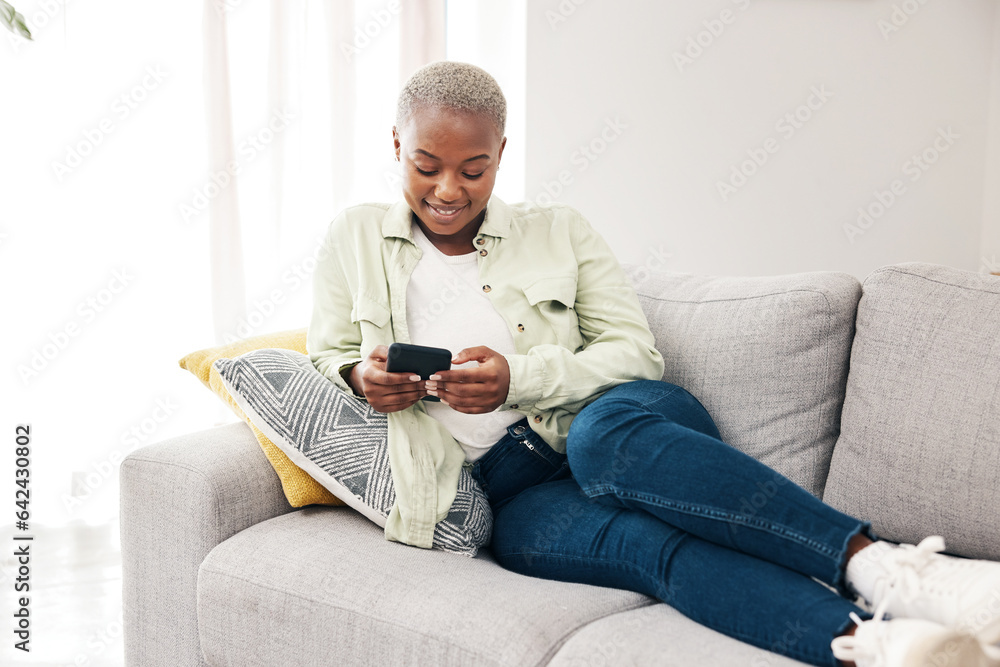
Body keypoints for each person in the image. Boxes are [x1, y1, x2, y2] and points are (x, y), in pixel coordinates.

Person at [307, 61, 1000, 667]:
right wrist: (362, 378)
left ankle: (885, 567)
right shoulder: (354, 237)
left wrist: (519, 377)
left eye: (474, 168)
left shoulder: (558, 231)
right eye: (426, 165)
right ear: (397, 146)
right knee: (656, 552)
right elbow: (329, 350)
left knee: (597, 440)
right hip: (512, 491)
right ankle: (876, 646)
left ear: (502, 153)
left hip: (621, 423)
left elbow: (635, 352)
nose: (450, 189)